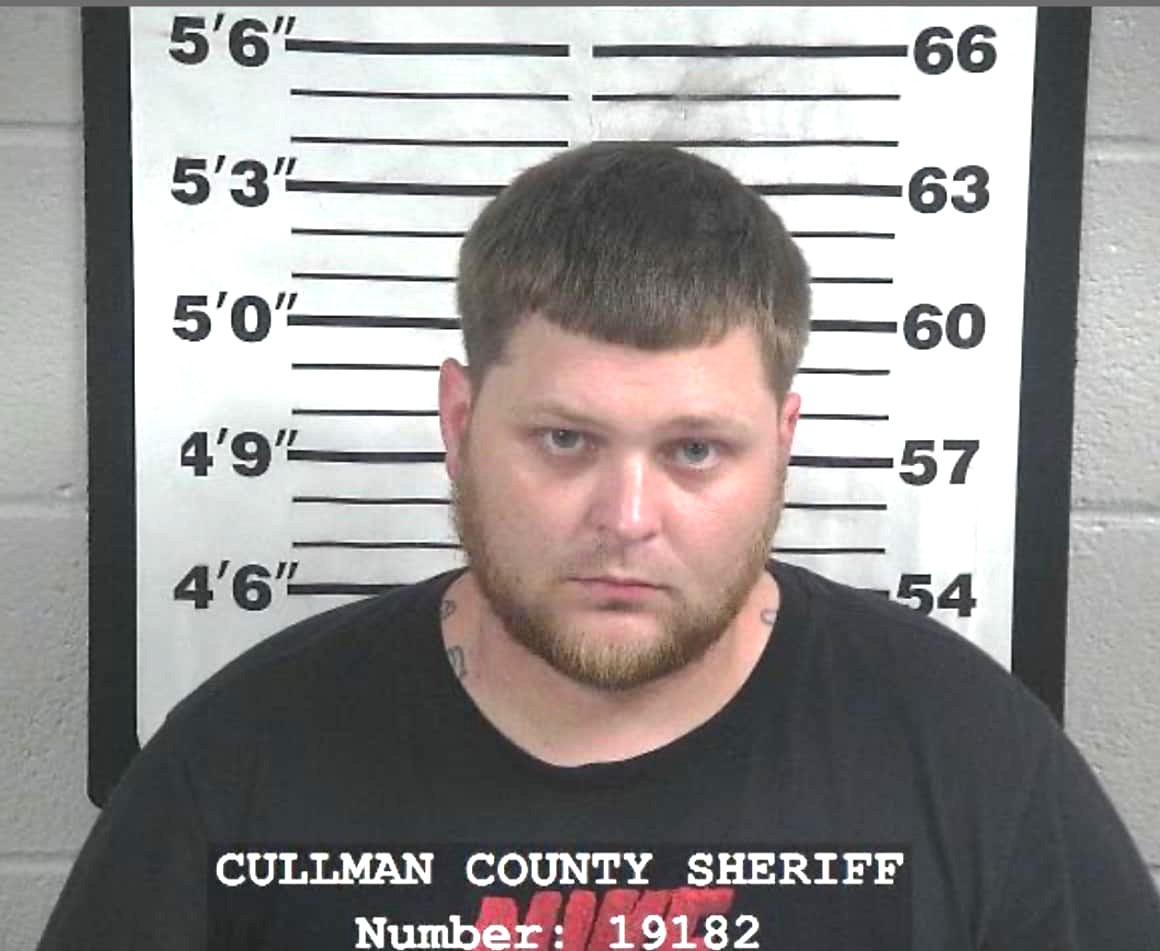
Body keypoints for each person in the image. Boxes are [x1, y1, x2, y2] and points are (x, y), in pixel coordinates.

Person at [39, 142, 1160, 950]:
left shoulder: (971, 759)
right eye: (565, 439)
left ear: (781, 444)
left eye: (694, 451)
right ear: (458, 422)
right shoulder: (239, 762)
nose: (625, 517)